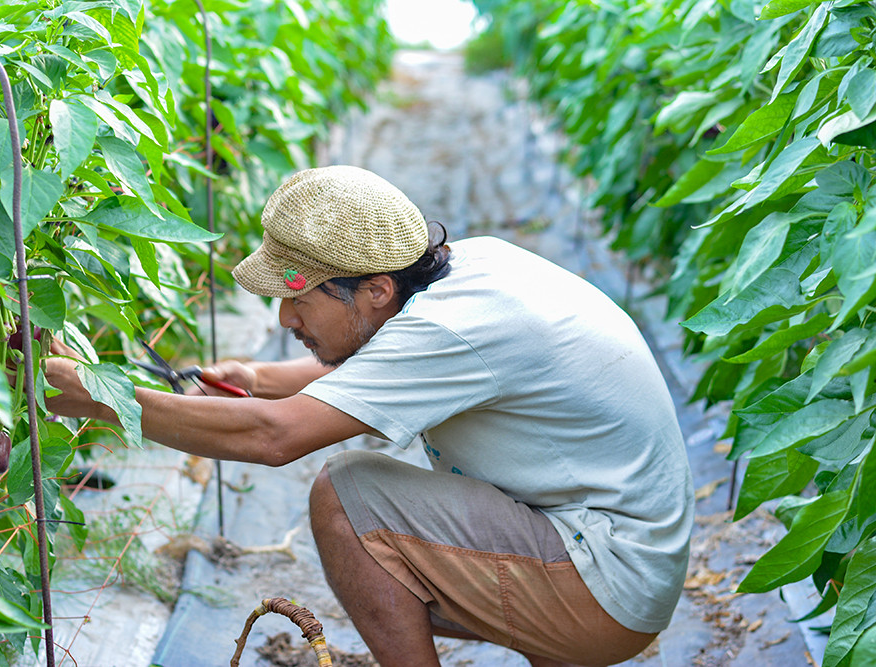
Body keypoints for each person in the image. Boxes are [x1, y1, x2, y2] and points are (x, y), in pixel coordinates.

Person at [44, 165, 694, 667]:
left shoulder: (449, 329)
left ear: (376, 289)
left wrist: (97, 397)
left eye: (299, 298)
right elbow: (379, 368)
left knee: (350, 498)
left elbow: (278, 437)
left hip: (606, 583)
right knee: (381, 516)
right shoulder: (461, 273)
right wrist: (259, 379)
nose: (284, 319)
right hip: (616, 557)